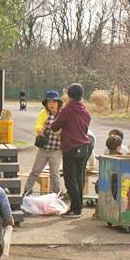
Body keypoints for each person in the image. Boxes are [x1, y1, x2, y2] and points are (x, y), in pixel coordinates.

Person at [50, 83, 91, 219]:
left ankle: (75, 210)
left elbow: (55, 126)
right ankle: (77, 208)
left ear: (68, 95)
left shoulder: (67, 109)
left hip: (71, 147)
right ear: (81, 95)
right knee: (79, 178)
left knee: (70, 179)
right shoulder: (85, 110)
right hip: (85, 147)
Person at [23, 90, 63, 196]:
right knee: (35, 171)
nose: (52, 104)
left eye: (54, 102)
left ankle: (57, 193)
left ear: (58, 103)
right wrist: (39, 130)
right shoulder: (43, 113)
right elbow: (38, 124)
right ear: (46, 104)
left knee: (55, 174)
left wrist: (61, 132)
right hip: (43, 148)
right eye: (49, 102)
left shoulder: (62, 114)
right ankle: (27, 190)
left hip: (56, 149)